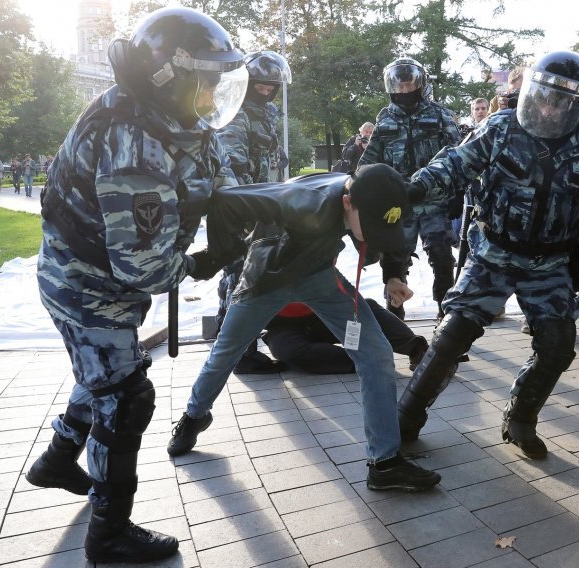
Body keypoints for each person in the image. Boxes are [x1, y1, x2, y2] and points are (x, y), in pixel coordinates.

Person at [25, 7, 248, 563]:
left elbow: (218, 174)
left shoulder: (174, 120)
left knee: (102, 375)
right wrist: (202, 264)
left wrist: (252, 208)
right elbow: (143, 267)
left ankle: (56, 461)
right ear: (169, 77)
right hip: (84, 287)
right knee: (126, 397)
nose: (213, 94)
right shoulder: (133, 143)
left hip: (105, 286)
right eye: (206, 82)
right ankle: (108, 534)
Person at [396, 51, 579, 458]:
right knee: (452, 336)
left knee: (558, 345)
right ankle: (405, 418)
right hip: (494, 251)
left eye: (561, 99)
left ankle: (521, 417)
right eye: (543, 94)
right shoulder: (502, 127)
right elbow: (454, 165)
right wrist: (415, 188)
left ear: (578, 104)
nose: (549, 105)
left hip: (550, 261)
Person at [167, 164, 442, 492]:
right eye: (368, 226)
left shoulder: (378, 196)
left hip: (318, 275)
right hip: (266, 279)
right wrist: (214, 258)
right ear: (347, 203)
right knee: (227, 352)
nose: (372, 236)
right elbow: (226, 199)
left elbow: (390, 228)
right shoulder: (303, 200)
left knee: (376, 352)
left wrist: (394, 275)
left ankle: (384, 463)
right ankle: (194, 416)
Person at [359, 57, 461, 319]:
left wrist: (458, 193)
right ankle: (394, 315)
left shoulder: (438, 114)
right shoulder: (384, 120)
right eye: (400, 87)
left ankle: (445, 315)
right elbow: (369, 162)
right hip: (398, 202)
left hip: (434, 199)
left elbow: (457, 154)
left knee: (441, 257)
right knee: (394, 259)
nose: (405, 92)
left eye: (409, 86)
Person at [214, 50, 291, 374]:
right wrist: (252, 206)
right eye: (260, 84)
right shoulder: (236, 113)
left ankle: (231, 345)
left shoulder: (267, 113)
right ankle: (240, 354)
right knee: (240, 279)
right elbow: (232, 165)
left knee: (246, 278)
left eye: (271, 86)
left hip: (263, 203)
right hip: (241, 207)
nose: (266, 90)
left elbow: (269, 158)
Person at [262, 298, 428, 374]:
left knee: (366, 308)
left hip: (326, 312)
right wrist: (248, 356)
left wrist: (392, 275)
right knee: (291, 352)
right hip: (282, 326)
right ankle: (364, 360)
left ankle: (416, 348)